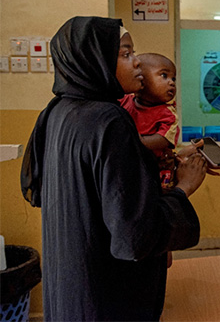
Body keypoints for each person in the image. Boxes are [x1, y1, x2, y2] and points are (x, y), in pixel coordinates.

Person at [20, 16, 209, 321]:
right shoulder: (110, 121)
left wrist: (166, 158)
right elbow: (134, 236)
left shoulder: (57, 111)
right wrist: (183, 188)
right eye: (125, 54)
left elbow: (78, 180)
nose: (137, 63)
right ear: (94, 60)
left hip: (71, 283)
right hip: (106, 295)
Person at [120, 53, 182, 191]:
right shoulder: (125, 101)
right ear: (141, 79)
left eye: (173, 78)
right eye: (164, 76)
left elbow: (163, 139)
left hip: (155, 169)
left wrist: (137, 141)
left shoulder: (168, 113)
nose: (171, 82)